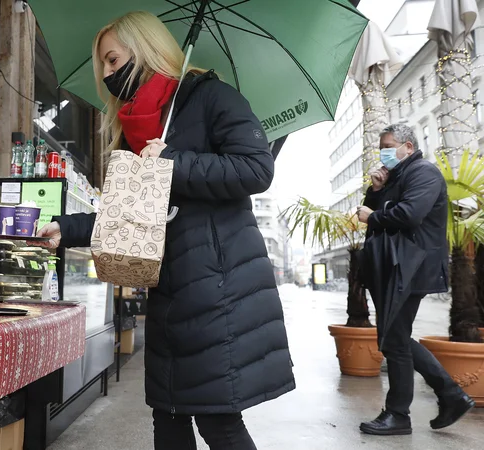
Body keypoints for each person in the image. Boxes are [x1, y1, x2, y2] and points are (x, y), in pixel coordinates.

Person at [31, 11, 294, 450]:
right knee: (167, 416)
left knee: (217, 421)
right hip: (169, 290)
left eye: (114, 61)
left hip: (219, 287)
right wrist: (67, 227)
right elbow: (127, 216)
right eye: (105, 68)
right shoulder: (135, 129)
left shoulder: (211, 97)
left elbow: (256, 168)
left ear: (145, 48)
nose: (110, 74)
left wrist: (172, 162)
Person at [356, 124, 474, 435]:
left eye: (388, 145)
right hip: (397, 266)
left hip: (413, 266)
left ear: (408, 146)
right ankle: (450, 395)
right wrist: (378, 190)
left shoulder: (423, 172)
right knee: (394, 335)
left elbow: (408, 215)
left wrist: (375, 215)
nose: (383, 152)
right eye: (381, 146)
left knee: (394, 337)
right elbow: (375, 217)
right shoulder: (396, 177)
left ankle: (400, 414)